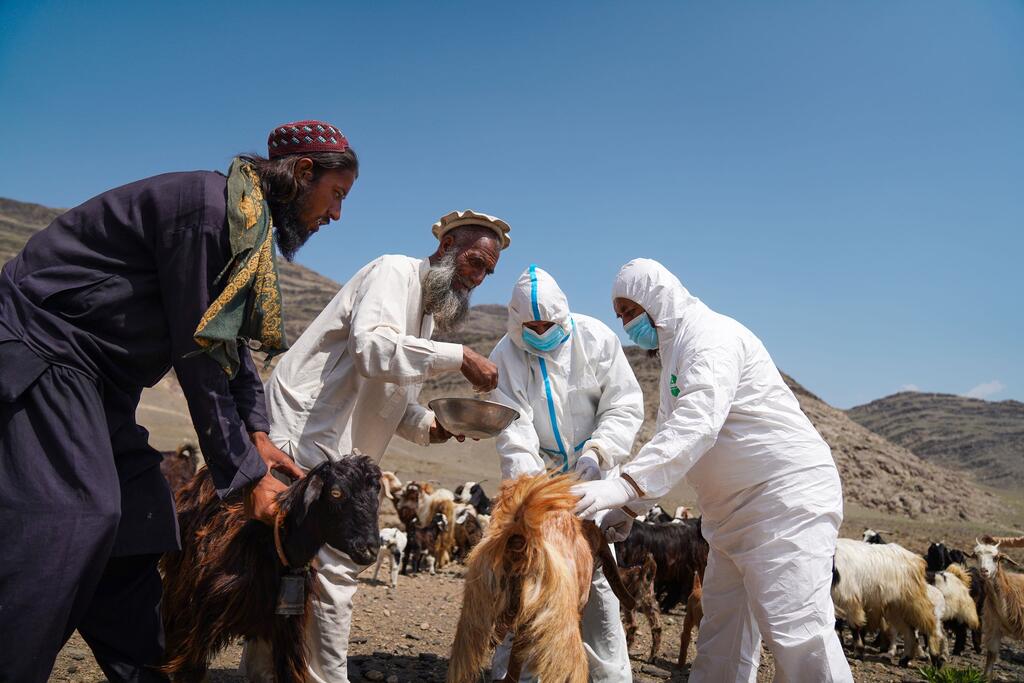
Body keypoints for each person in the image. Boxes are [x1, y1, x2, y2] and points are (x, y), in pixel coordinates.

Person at [0, 119, 355, 682]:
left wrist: (258, 436)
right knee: (75, 520)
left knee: (141, 523)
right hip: (45, 350)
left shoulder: (244, 231)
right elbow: (198, 355)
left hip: (102, 385)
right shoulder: (207, 212)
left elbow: (230, 346)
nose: (336, 214)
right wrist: (244, 478)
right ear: (303, 173)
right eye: (336, 195)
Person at [244, 209, 509, 683]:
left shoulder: (423, 316)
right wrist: (459, 356)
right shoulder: (392, 272)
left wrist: (435, 426)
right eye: (474, 262)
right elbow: (372, 350)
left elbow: (391, 401)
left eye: (487, 272)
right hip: (308, 434)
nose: (477, 278)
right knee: (333, 571)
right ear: (447, 247)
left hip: (341, 453)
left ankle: (268, 672)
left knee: (288, 564)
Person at [572, 258, 853, 682]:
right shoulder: (675, 356)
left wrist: (626, 486)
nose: (627, 324)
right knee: (723, 635)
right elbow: (671, 435)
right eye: (621, 316)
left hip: (782, 502)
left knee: (796, 632)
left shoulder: (710, 338)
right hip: (731, 518)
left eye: (630, 312)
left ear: (656, 299)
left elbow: (698, 422)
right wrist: (631, 509)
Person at [487, 265, 644, 682]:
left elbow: (623, 405)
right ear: (516, 321)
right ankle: (520, 675)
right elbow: (513, 430)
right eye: (530, 325)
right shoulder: (504, 355)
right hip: (540, 478)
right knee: (528, 577)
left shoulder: (596, 340)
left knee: (593, 583)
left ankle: (609, 676)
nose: (540, 332)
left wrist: (598, 452)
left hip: (594, 476)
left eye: (548, 324)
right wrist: (541, 494)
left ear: (564, 316)